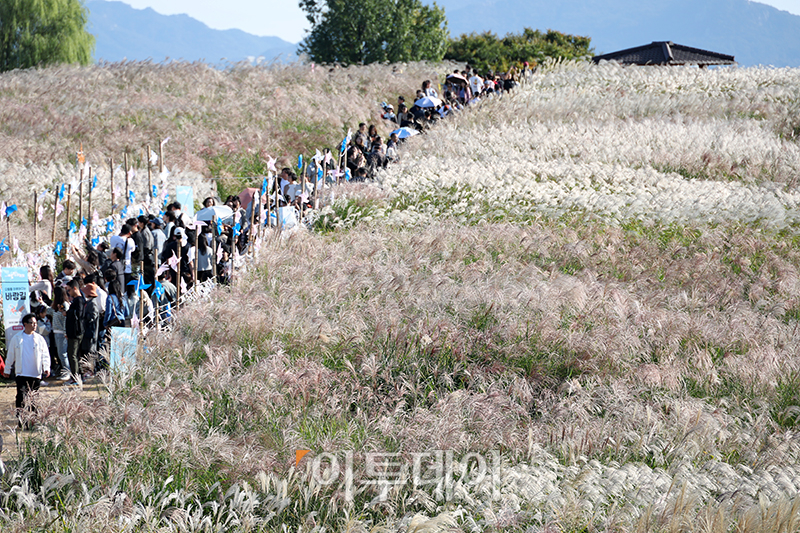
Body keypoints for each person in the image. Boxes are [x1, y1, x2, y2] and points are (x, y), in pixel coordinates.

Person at [4, 313, 50, 427]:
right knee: (21, 397)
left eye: (35, 323)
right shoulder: (17, 338)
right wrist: (7, 369)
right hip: (22, 372)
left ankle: (33, 420)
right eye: (32, 323)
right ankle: (21, 419)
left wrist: (46, 367)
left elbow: (45, 355)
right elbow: (11, 355)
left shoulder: (40, 339)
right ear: (25, 324)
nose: (34, 325)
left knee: (33, 398)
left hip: (35, 373)